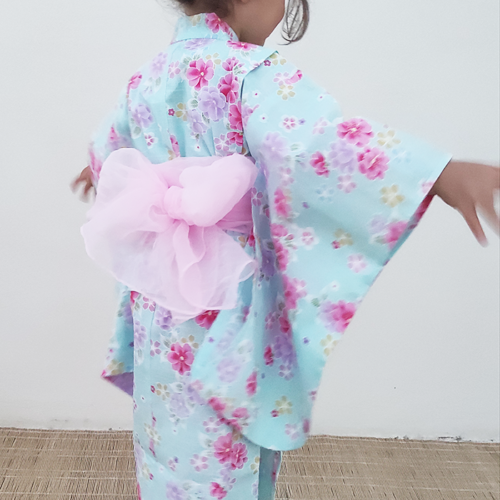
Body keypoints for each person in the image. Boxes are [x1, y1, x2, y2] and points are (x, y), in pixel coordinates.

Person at [71, 1, 499, 499]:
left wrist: (96, 170)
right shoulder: (251, 73)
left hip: (162, 295)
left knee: (171, 431)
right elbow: (317, 147)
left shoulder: (149, 76)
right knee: (225, 431)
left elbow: (113, 149)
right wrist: (437, 173)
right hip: (228, 289)